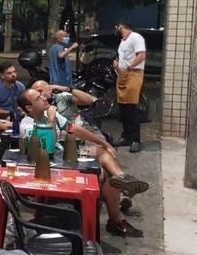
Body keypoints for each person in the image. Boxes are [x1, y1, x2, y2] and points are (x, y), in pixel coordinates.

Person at [17, 88, 148, 237]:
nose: (45, 98)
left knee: (102, 152)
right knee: (103, 176)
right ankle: (115, 219)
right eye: (38, 98)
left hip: (66, 154)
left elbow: (75, 128)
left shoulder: (48, 113)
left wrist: (105, 143)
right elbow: (47, 149)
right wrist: (52, 120)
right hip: (52, 165)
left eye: (42, 95)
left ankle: (123, 178)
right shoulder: (27, 125)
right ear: (29, 107)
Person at [112, 21, 146, 153]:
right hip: (122, 74)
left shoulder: (135, 37)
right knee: (123, 107)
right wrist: (117, 64)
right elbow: (122, 57)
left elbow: (141, 55)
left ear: (122, 26)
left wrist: (130, 66)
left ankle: (136, 140)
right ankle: (126, 136)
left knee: (131, 107)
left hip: (133, 74)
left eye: (117, 27)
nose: (116, 30)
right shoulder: (122, 41)